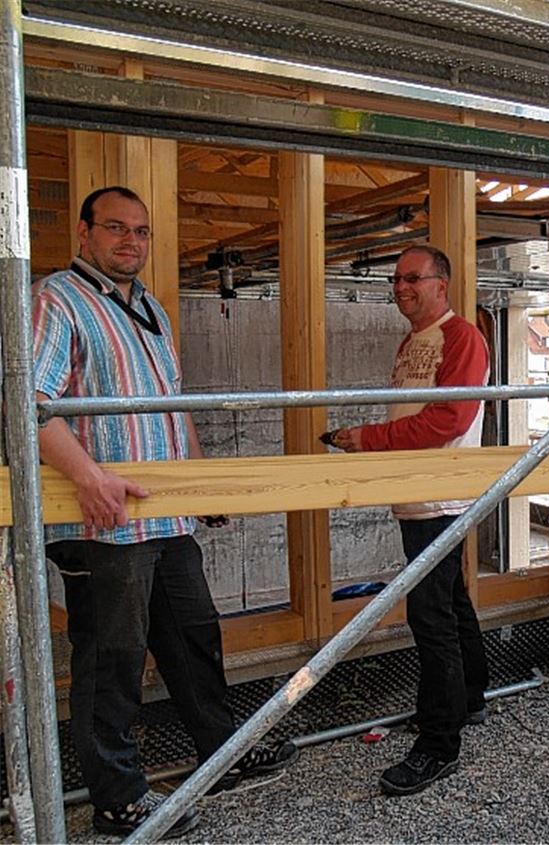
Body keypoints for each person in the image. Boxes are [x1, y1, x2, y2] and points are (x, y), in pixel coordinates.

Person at [32, 186, 298, 838]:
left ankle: (222, 754)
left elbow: (170, 403)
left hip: (166, 515)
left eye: (142, 231)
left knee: (194, 635)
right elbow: (27, 401)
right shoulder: (57, 298)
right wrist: (88, 476)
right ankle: (118, 797)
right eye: (117, 228)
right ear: (84, 234)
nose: (132, 241)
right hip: (103, 520)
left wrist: (197, 482)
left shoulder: (149, 306)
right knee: (111, 658)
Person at [322, 244, 490, 795]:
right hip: (420, 495)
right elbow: (416, 416)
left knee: (430, 616)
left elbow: (447, 419)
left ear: (441, 283)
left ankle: (439, 746)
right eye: (395, 280)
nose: (401, 288)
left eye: (412, 279)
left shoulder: (460, 337)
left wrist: (368, 439)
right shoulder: (415, 340)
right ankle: (469, 699)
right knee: (450, 600)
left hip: (440, 497)